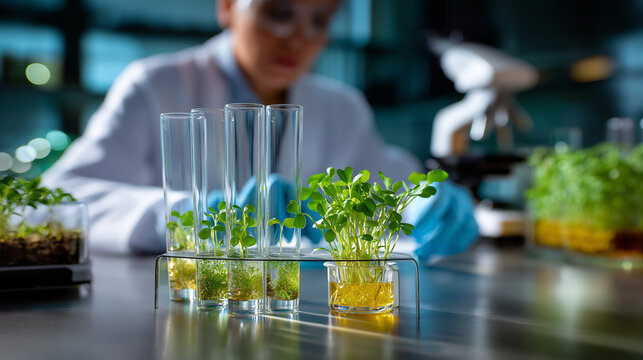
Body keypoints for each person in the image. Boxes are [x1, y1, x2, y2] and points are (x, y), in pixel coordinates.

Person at [43, 0, 478, 257]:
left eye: (319, 20)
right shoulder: (157, 85)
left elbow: (388, 186)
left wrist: (424, 204)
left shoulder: (342, 107)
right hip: (188, 307)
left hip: (301, 316)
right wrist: (191, 215)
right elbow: (58, 198)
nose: (298, 38)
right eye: (278, 13)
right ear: (228, 7)